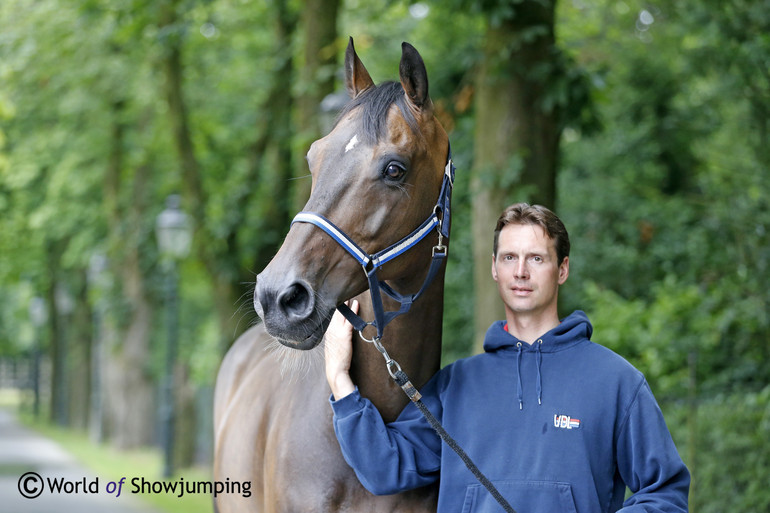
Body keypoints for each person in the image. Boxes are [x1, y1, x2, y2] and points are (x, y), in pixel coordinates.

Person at [324, 203, 690, 513]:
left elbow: (666, 493)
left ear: (562, 269)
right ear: (494, 268)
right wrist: (340, 379)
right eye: (510, 257)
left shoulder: (616, 382)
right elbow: (386, 468)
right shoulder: (457, 385)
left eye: (536, 258)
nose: (521, 272)